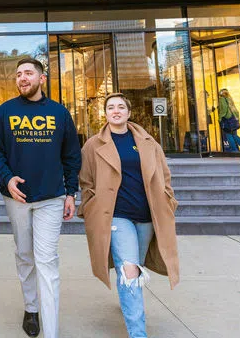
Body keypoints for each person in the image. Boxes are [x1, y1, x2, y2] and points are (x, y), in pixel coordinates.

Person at [0, 58, 82, 338]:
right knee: (24, 255)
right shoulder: (4, 112)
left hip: (51, 197)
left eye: (28, 73)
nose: (22, 78)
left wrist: (70, 192)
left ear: (42, 78)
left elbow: (71, 156)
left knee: (47, 260)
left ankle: (50, 331)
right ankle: (31, 308)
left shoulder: (59, 113)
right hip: (17, 199)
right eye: (18, 74)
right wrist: (6, 178)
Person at [77, 93, 180, 338]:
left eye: (120, 107)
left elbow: (164, 175)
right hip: (115, 215)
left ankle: (127, 301)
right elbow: (86, 180)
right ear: (105, 113)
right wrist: (91, 206)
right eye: (110, 107)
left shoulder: (147, 141)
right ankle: (138, 333)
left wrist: (168, 199)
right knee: (129, 269)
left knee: (136, 264)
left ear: (128, 112)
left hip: (146, 215)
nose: (116, 111)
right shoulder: (93, 145)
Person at [217, 89, 240, 153]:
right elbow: (234, 110)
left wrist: (220, 118)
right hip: (233, 119)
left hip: (227, 119)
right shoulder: (229, 98)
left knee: (228, 135)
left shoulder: (222, 99)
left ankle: (234, 150)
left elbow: (224, 110)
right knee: (234, 135)